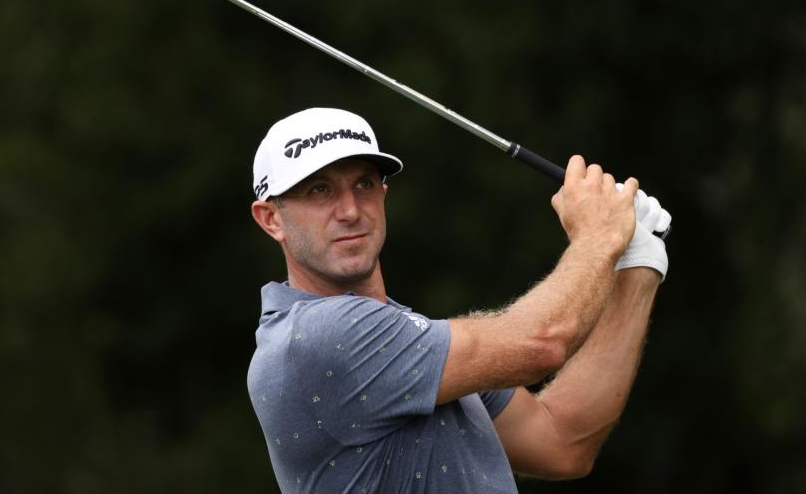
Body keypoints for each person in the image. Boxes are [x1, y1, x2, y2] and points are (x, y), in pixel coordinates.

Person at [247, 107, 670, 493]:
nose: (351, 210)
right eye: (319, 191)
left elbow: (562, 441)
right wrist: (599, 235)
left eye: (363, 184)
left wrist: (636, 265)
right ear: (271, 219)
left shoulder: (415, 345)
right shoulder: (311, 337)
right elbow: (544, 342)